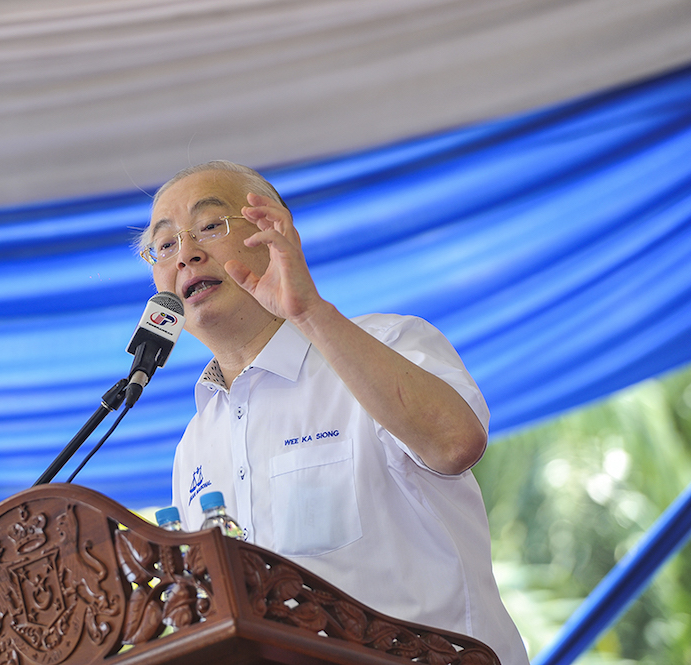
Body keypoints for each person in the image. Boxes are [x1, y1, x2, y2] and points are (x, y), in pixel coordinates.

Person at [138, 160, 529, 665]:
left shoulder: (388, 342)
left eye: (210, 226)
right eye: (165, 245)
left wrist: (308, 312)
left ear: (271, 232)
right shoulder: (195, 443)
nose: (186, 254)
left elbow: (456, 442)